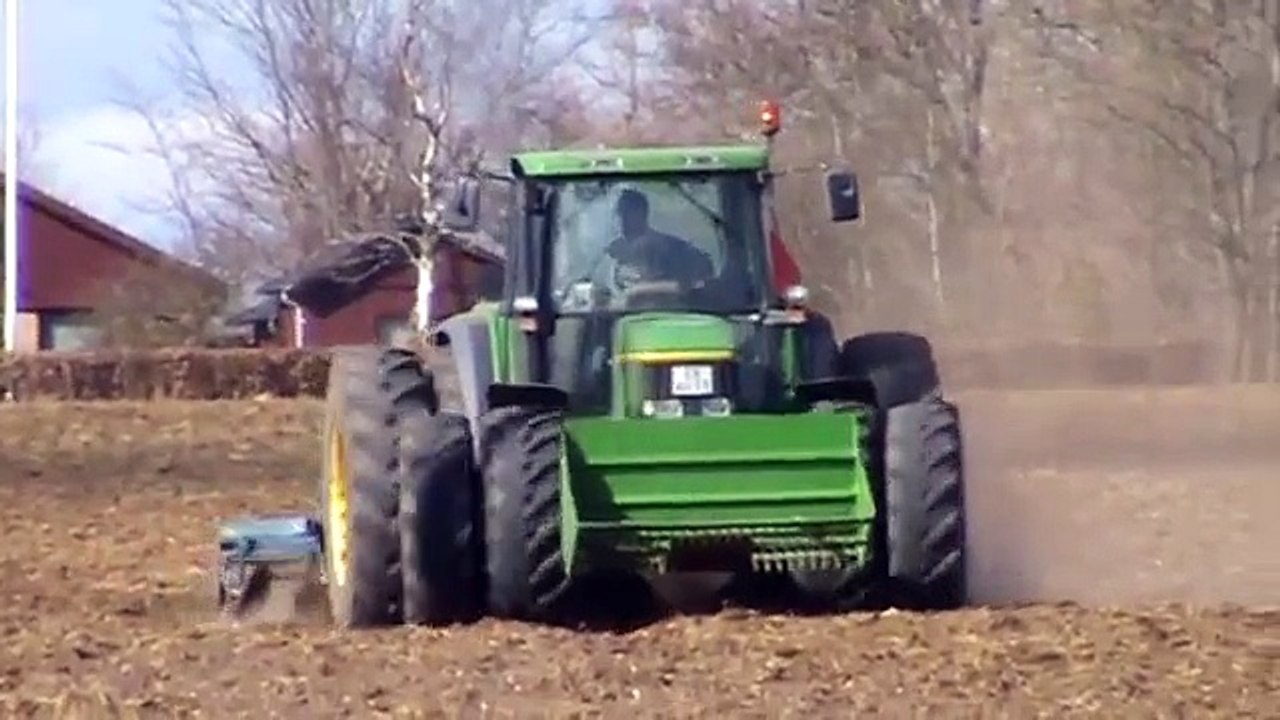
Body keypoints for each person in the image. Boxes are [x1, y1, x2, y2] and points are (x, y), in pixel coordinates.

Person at [602, 188, 714, 293]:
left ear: (642, 213)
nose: (622, 219)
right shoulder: (611, 252)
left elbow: (704, 266)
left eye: (627, 212)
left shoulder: (669, 247)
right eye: (620, 213)